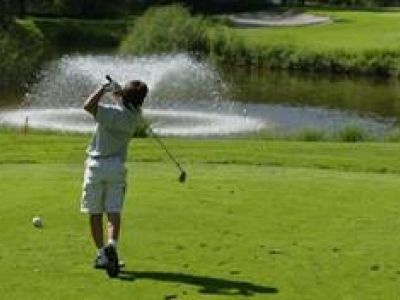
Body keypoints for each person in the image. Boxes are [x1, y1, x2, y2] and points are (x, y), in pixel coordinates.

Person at [81, 78, 148, 277]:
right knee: (113, 211)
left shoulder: (108, 113)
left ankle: (102, 254)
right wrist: (119, 92)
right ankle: (113, 244)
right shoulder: (136, 115)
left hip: (96, 166)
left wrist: (103, 88)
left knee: (95, 212)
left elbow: (87, 106)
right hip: (117, 167)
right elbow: (124, 101)